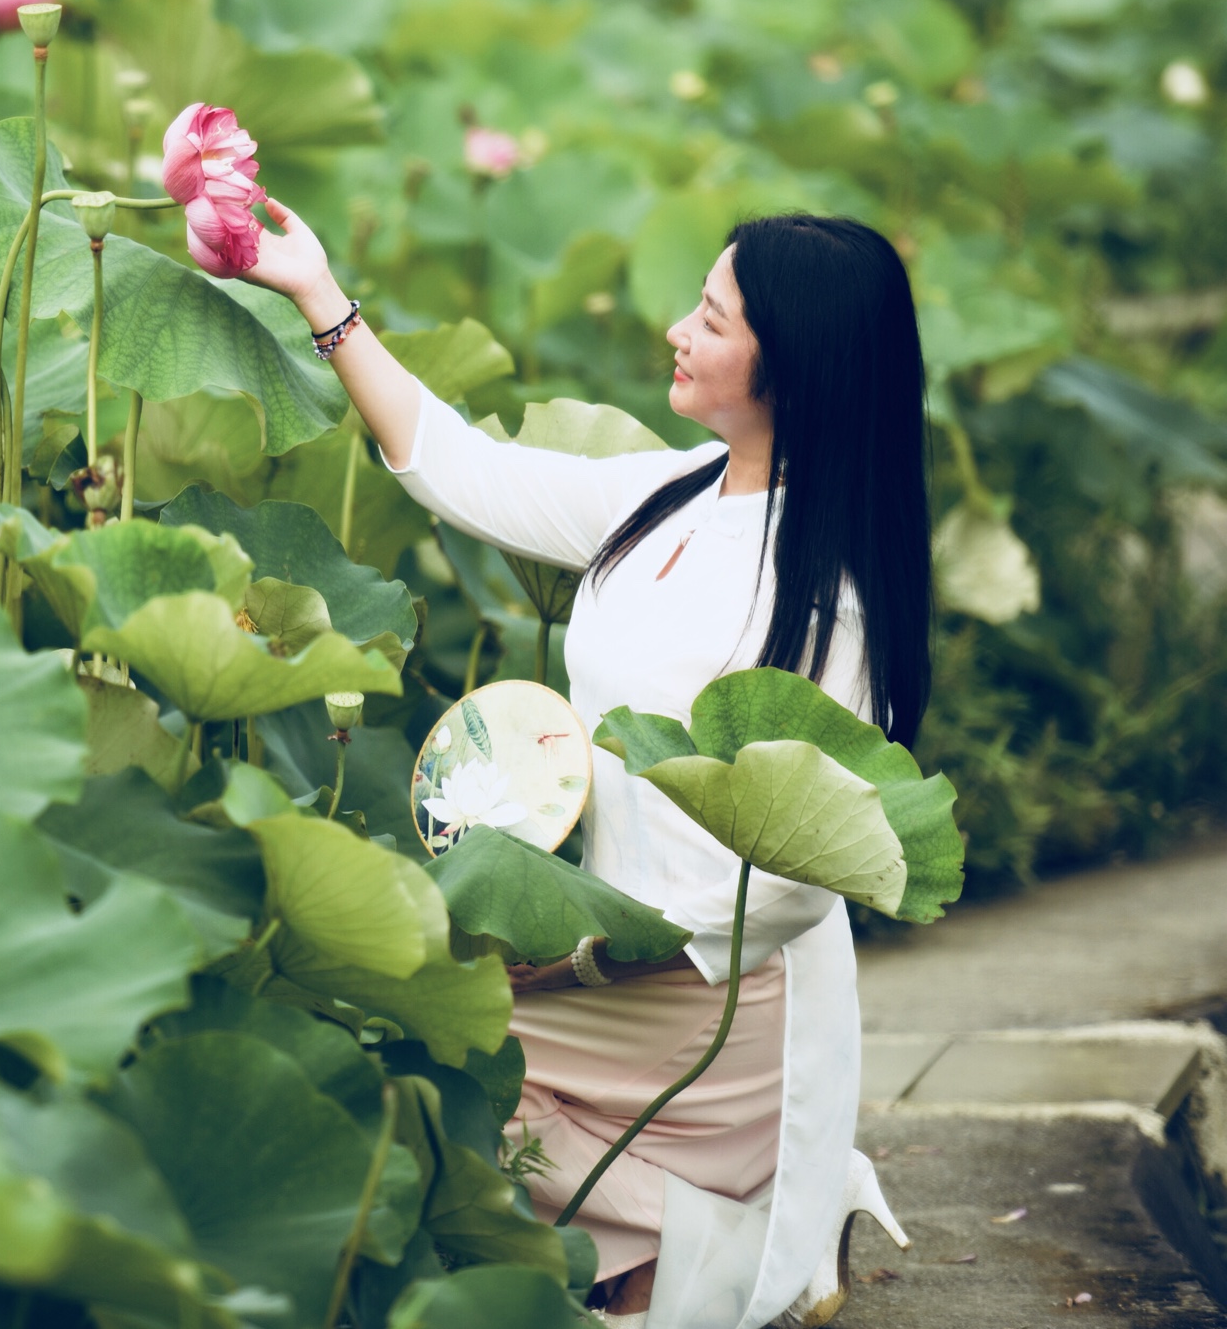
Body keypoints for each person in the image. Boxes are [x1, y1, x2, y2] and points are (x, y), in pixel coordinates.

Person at [243, 203, 932, 1329]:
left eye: (708, 318)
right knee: (405, 1026)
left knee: (416, 1031)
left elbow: (800, 885)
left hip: (711, 997)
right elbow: (465, 472)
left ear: (789, 370)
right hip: (589, 947)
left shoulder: (830, 600)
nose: (675, 328)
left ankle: (716, 1226)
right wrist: (321, 296)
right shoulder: (676, 492)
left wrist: (582, 963)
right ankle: (689, 1239)